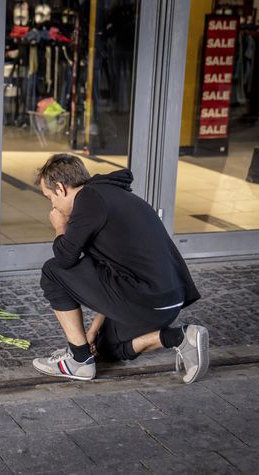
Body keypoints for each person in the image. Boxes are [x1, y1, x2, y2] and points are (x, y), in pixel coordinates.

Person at [32, 154, 207, 383]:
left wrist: (60, 227)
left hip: (147, 299)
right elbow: (110, 272)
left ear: (61, 188)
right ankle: (179, 337)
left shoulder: (89, 199)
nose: (52, 206)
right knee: (106, 347)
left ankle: (78, 361)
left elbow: (65, 258)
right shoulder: (114, 195)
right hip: (166, 303)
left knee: (52, 272)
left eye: (49, 197)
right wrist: (92, 332)